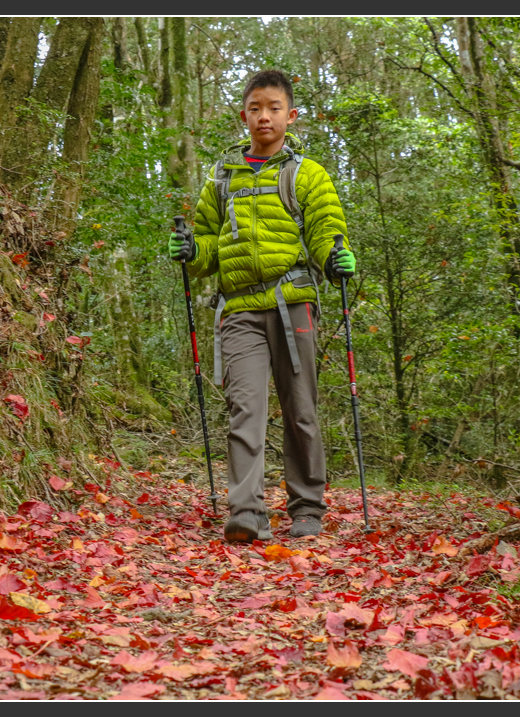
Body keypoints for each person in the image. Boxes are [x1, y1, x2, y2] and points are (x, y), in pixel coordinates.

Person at [167, 69, 355, 543]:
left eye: (273, 108)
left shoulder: (307, 174)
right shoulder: (221, 177)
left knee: (301, 410)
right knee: (244, 407)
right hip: (238, 309)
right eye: (255, 108)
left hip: (293, 304)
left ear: (290, 116)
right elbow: (208, 246)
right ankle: (246, 512)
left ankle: (307, 507)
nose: (264, 116)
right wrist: (192, 253)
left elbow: (325, 232)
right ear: (244, 115)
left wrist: (336, 260)